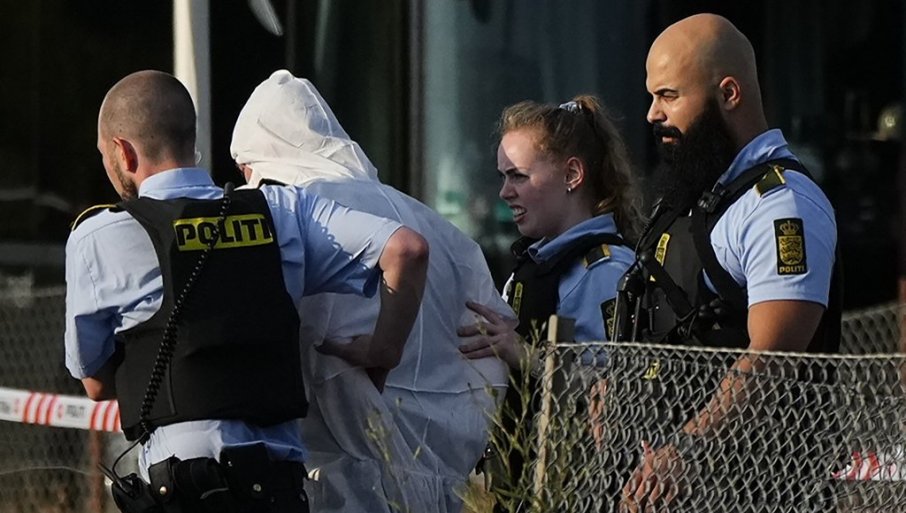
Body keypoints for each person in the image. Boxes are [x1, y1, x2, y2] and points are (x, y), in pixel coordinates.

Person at [64, 70, 428, 513]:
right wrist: (382, 351)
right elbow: (406, 250)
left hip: (183, 488)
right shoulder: (283, 210)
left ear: (122, 151)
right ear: (190, 137)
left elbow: (96, 383)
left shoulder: (99, 237)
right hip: (277, 486)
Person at [230, 70, 515, 513]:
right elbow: (487, 349)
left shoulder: (297, 220)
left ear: (258, 160)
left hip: (337, 485)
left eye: (244, 169)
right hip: (443, 487)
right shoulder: (434, 225)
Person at [612, 13, 842, 512]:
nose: (652, 114)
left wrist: (686, 449)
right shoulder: (696, 196)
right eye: (652, 96)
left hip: (759, 492)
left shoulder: (781, 207)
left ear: (729, 94)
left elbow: (774, 358)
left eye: (669, 95)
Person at [456, 96, 642, 512]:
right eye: (503, 176)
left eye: (519, 176)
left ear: (572, 174)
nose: (505, 192)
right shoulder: (533, 264)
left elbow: (613, 392)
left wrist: (524, 354)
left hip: (578, 491)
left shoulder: (605, 271)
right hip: (522, 484)